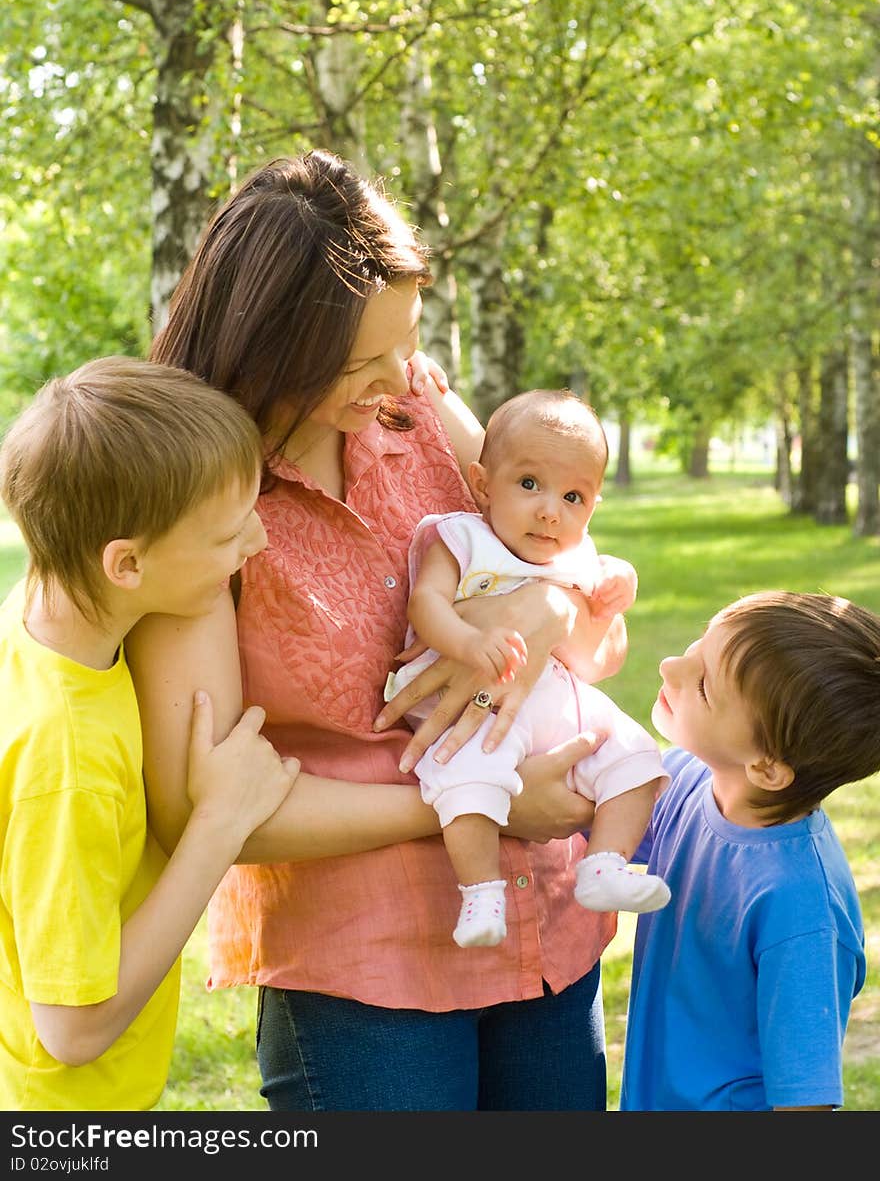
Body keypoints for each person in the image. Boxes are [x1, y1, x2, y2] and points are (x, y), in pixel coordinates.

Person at [127, 149, 630, 1112]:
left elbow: (572, 551)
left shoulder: (419, 410)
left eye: (406, 340)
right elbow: (196, 806)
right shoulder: (198, 504)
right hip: (367, 975)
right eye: (363, 360)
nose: (400, 374)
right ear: (271, 348)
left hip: (544, 939)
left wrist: (541, 604)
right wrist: (474, 802)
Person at [0, 357, 299, 1112]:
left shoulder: (32, 615)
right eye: (229, 532)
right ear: (126, 563)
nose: (258, 541)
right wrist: (220, 823)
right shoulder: (68, 754)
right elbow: (71, 1028)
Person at [385, 388, 670, 948]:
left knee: (636, 755)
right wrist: (468, 641)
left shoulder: (572, 552)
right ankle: (479, 891)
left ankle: (604, 864)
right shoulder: (462, 537)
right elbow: (426, 605)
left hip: (551, 698)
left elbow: (601, 622)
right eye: (529, 484)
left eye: (572, 497)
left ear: (591, 509)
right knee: (470, 773)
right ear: (483, 483)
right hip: (468, 697)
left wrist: (621, 583)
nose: (550, 511)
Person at [619, 590, 880, 1112]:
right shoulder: (691, 782)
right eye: (699, 642)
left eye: (704, 686)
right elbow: (582, 819)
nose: (671, 665)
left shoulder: (800, 908)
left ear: (765, 767)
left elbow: (803, 1104)